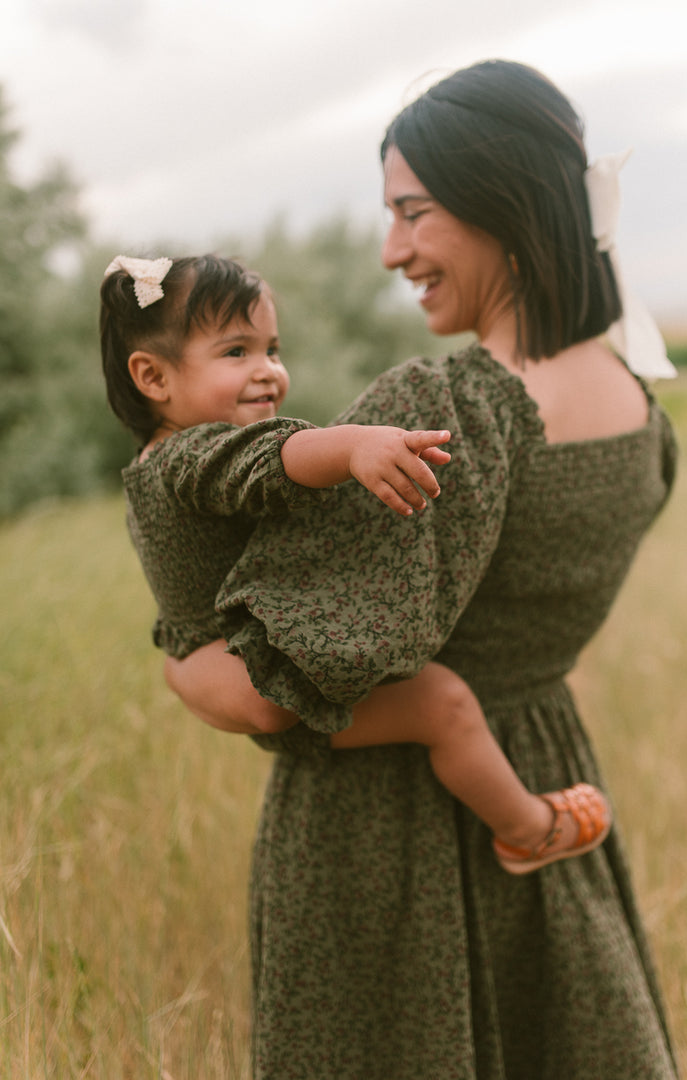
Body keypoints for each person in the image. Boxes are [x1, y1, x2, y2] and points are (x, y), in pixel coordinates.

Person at [164, 61, 680, 1079]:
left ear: (506, 208)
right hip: (534, 778)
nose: (393, 248)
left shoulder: (443, 409)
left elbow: (272, 691)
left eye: (415, 211)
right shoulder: (640, 408)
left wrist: (186, 661)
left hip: (387, 835)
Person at [101, 252, 611, 877]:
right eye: (237, 352)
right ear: (153, 378)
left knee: (432, 702)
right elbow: (267, 456)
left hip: (237, 664)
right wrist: (353, 445)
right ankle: (528, 829)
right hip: (237, 672)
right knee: (443, 704)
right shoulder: (181, 459)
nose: (268, 372)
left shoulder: (174, 456)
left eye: (273, 349)